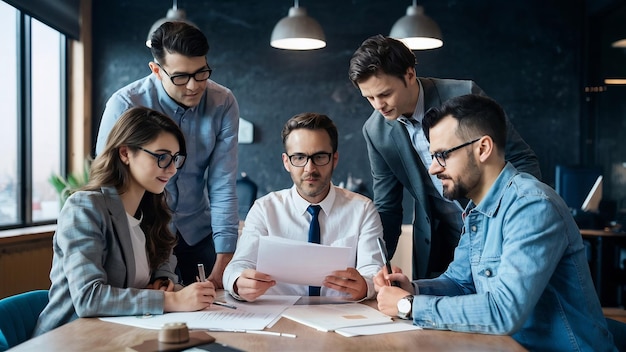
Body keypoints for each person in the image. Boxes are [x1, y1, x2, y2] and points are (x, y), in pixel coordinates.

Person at [374, 94, 615, 351]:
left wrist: (409, 306)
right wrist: (413, 289)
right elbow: (460, 283)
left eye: (442, 155)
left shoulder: (532, 206)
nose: (433, 168)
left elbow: (504, 311)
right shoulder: (476, 210)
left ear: (483, 148)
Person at [348, 35, 542, 280]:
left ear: (409, 74)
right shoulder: (375, 131)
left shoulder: (463, 94)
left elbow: (521, 159)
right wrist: (372, 270)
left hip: (498, 228)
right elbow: (387, 206)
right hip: (438, 242)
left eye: (385, 94)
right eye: (369, 98)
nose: (378, 105)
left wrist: (520, 222)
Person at [33, 107, 217, 336]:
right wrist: (170, 300)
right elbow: (89, 297)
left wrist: (163, 281)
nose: (171, 169)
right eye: (161, 157)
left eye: (175, 159)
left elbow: (164, 267)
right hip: (69, 339)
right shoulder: (84, 208)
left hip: (122, 335)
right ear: (125, 153)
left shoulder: (154, 211)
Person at [96, 21, 240, 288]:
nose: (194, 86)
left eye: (201, 73)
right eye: (180, 77)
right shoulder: (125, 105)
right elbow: (109, 182)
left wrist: (226, 256)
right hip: (144, 234)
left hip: (198, 229)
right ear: (156, 70)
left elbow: (222, 183)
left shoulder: (223, 102)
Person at [223, 113, 384, 302]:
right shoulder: (264, 210)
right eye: (299, 157)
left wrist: (365, 285)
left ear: (335, 159)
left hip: (340, 317)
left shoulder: (362, 210)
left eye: (320, 156)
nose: (310, 168)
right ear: (286, 162)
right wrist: (238, 282)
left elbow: (374, 272)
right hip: (277, 316)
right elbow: (237, 266)